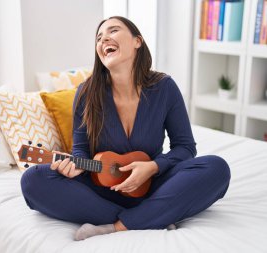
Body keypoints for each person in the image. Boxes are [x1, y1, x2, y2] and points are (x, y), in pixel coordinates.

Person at [20, 16, 231, 241]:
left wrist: (152, 167)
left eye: (113, 31)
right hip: (101, 189)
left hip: (153, 184)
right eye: (99, 38)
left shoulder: (164, 87)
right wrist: (75, 166)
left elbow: (186, 147)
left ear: (137, 41)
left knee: (217, 168)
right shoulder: (86, 93)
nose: (104, 40)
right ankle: (152, 216)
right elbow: (80, 148)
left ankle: (119, 225)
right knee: (32, 180)